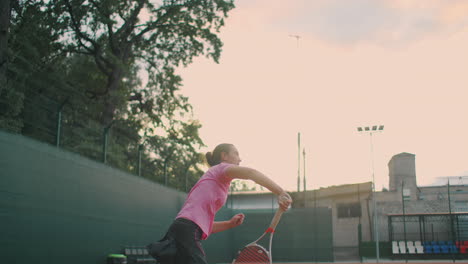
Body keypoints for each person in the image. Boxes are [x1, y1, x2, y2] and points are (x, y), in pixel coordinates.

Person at [147, 143, 292, 264]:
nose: (240, 159)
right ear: (224, 156)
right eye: (236, 153)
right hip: (186, 231)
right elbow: (251, 173)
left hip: (181, 230)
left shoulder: (214, 182)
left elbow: (204, 226)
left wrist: (230, 223)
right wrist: (280, 192)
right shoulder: (221, 169)